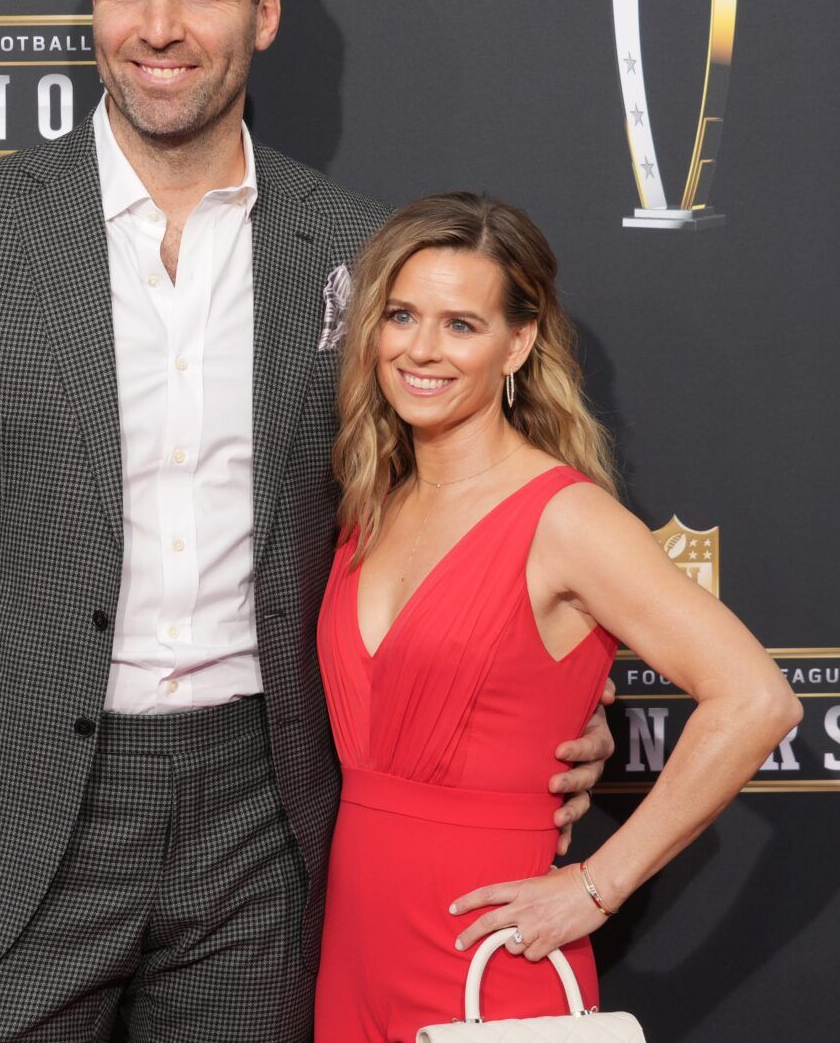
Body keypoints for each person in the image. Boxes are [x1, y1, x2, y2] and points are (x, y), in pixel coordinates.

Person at [0, 0, 615, 1042]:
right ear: (91, 7)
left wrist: (543, 704)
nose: (159, 27)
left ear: (263, 12)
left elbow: (450, 510)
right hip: (2, 819)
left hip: (262, 818)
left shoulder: (350, 249)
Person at [311, 193, 802, 1040]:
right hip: (355, 956)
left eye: (461, 325)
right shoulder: (372, 506)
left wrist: (596, 885)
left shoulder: (566, 520)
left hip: (490, 962)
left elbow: (757, 700)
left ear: (519, 344)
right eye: (400, 315)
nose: (420, 350)